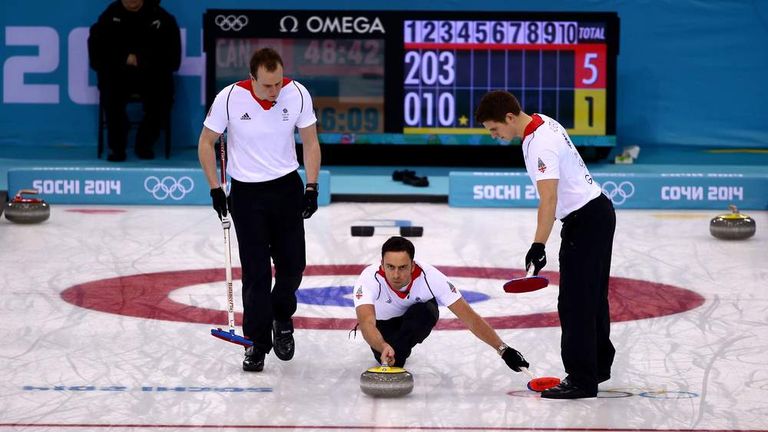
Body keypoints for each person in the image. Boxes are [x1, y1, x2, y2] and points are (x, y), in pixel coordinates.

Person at [475, 90, 616, 399]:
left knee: (574, 303)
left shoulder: (539, 143)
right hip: (598, 212)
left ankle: (581, 379)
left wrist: (538, 245)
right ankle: (598, 365)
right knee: (592, 296)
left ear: (509, 118)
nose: (495, 136)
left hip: (585, 221)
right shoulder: (543, 122)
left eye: (494, 129)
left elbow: (548, 198)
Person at [198, 47, 321, 372]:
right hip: (248, 196)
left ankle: (281, 315)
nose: (274, 91)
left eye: (278, 83)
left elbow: (310, 141)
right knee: (256, 275)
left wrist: (312, 185)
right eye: (267, 85)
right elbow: (206, 142)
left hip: (286, 189)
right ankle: (256, 344)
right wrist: (215, 188)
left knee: (293, 267)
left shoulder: (296, 93)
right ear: (252, 78)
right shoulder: (228, 98)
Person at [353, 236, 530, 375]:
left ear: (413, 265)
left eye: (402, 267)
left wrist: (503, 349)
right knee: (394, 359)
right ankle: (394, 351)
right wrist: (383, 346)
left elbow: (470, 318)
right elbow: (367, 323)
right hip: (383, 326)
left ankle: (398, 350)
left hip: (415, 317)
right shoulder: (369, 278)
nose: (396, 274)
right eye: (390, 267)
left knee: (426, 311)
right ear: (382, 264)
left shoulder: (431, 277)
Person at [88, 0, 181, 161]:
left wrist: (142, 59)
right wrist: (124, 58)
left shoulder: (163, 19)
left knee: (163, 96)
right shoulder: (107, 19)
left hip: (152, 76)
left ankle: (144, 143)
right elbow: (97, 58)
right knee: (110, 94)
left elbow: (173, 60)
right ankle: (117, 148)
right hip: (118, 76)